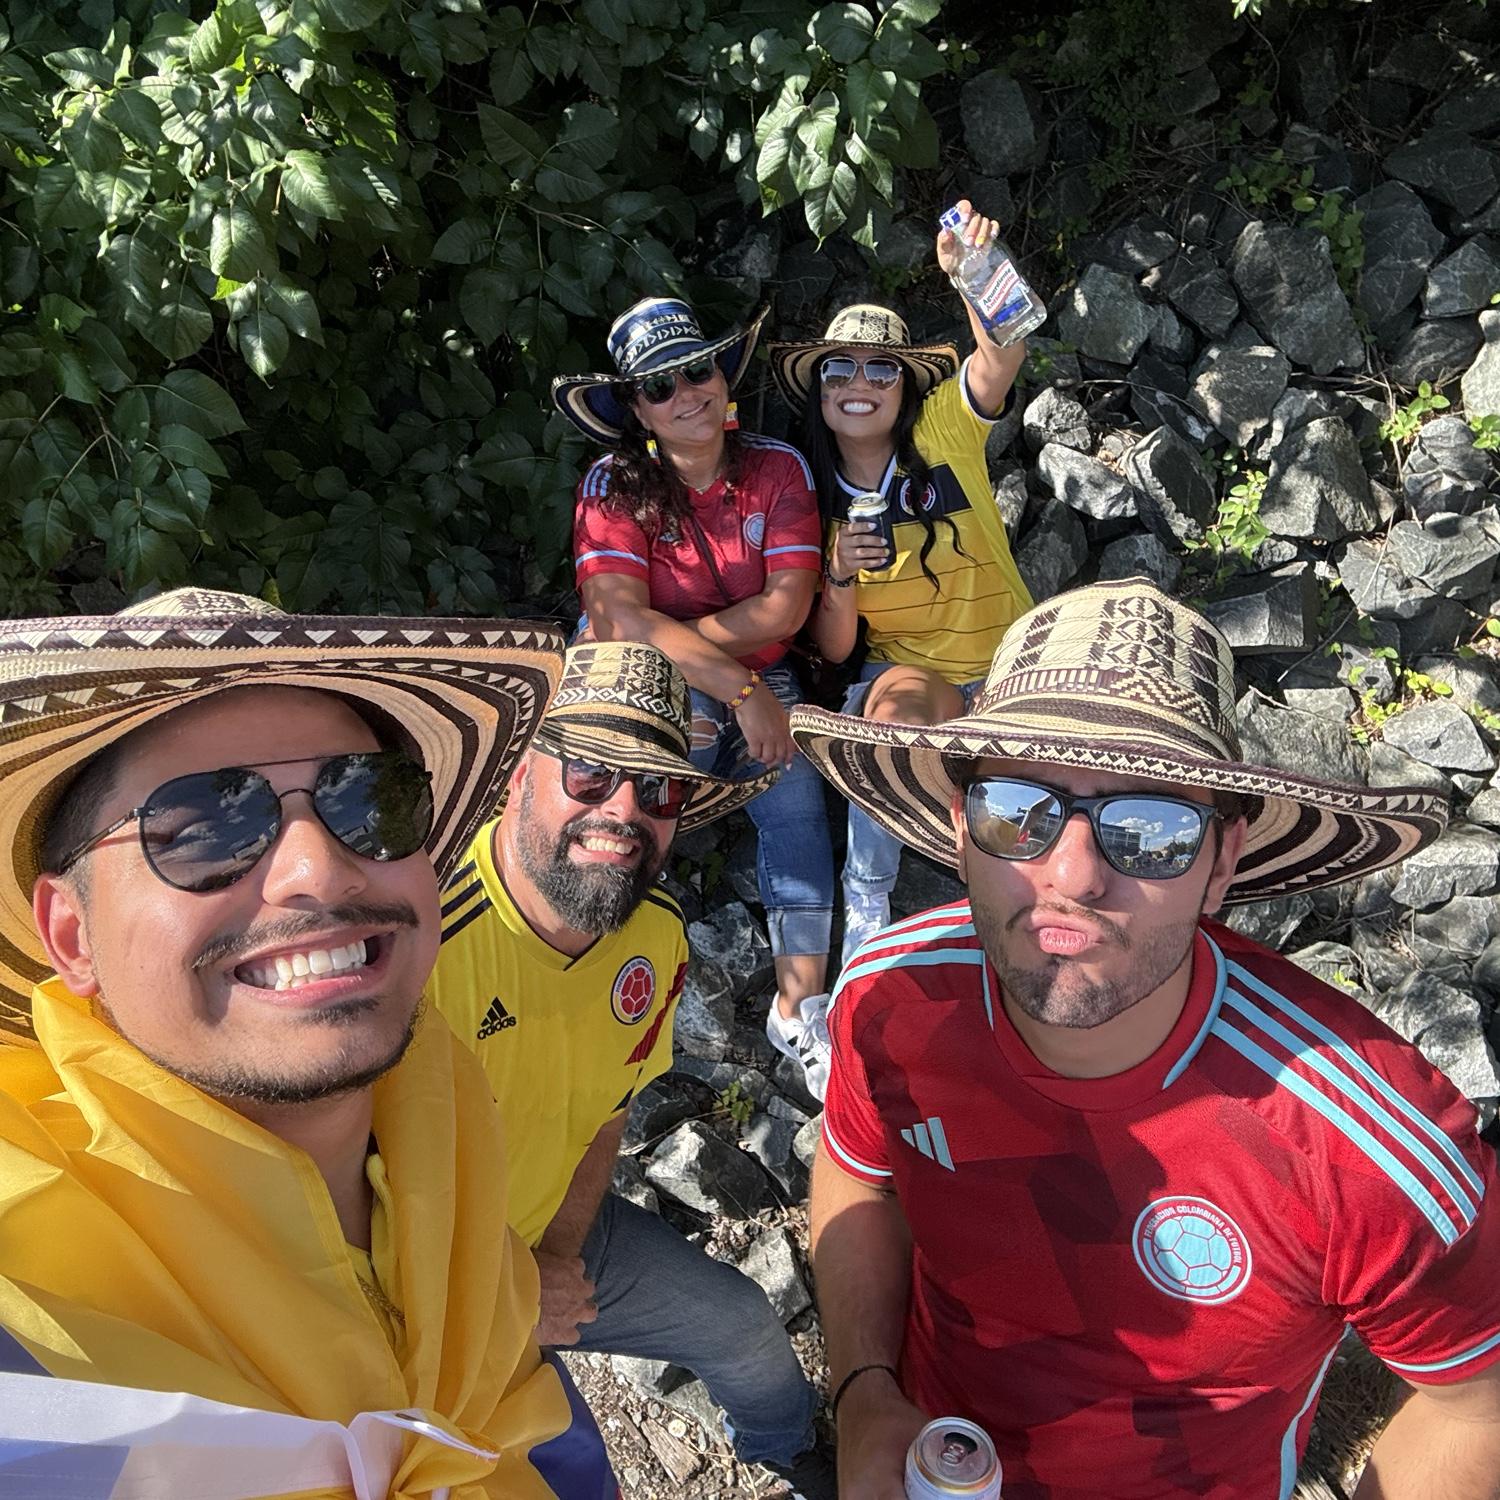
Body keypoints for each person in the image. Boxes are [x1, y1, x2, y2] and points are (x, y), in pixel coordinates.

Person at [788, 579, 1500, 1500]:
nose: (1073, 875)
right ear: (961, 827)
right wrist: (864, 1393)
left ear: (1223, 861)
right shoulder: (892, 997)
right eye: (1019, 809)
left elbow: (1477, 1400)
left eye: (1150, 828)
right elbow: (858, 1169)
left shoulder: (1363, 1149)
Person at [0, 587, 615, 1499]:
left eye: (369, 801)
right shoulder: (35, 1312)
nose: (317, 869)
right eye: (205, 826)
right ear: (72, 936)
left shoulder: (444, 1123)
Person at [426, 640, 831, 1497]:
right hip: (420, 1288)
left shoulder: (654, 933)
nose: (622, 810)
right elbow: (334, 1208)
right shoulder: (418, 946)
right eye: (588, 773)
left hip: (557, 1228)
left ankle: (793, 1453)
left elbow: (608, 1108)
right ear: (516, 776)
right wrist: (507, 1295)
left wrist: (556, 1255)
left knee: (745, 1327)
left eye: (658, 789)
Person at [556, 296, 836, 1098]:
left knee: (797, 794)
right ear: (636, 410)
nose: (686, 393)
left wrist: (678, 642)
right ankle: (577, 962)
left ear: (723, 376)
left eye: (697, 370)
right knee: (666, 767)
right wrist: (735, 686)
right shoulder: (612, 484)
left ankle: (801, 1009)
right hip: (655, 677)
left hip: (740, 667)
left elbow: (785, 609)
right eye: (659, 386)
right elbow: (616, 620)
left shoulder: (778, 467)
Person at [766, 201, 1034, 963]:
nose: (859, 383)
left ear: (905, 382)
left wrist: (974, 273)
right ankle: (868, 899)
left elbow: (1003, 355)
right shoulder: (807, 496)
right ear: (820, 391)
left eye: (880, 367)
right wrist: (839, 576)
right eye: (839, 369)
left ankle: (1020, 917)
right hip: (912, 670)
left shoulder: (943, 427)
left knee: (1031, 783)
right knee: (884, 726)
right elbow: (835, 648)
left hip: (1012, 660)